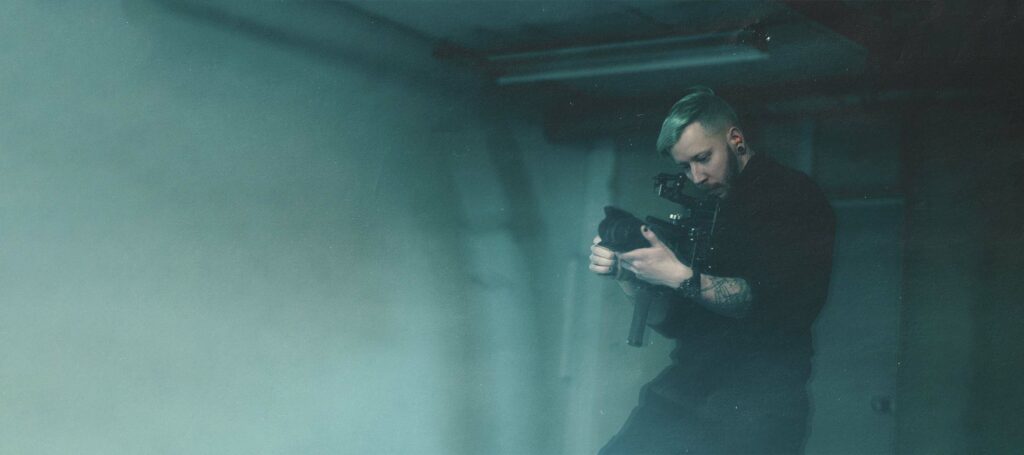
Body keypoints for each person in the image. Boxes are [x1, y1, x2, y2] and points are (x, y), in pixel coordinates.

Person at [589, 87, 835, 454]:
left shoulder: (793, 195)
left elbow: (767, 303)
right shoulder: (712, 208)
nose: (697, 177)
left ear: (735, 139)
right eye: (685, 167)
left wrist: (676, 274)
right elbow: (674, 323)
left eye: (703, 158)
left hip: (760, 399)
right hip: (691, 386)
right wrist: (630, 277)